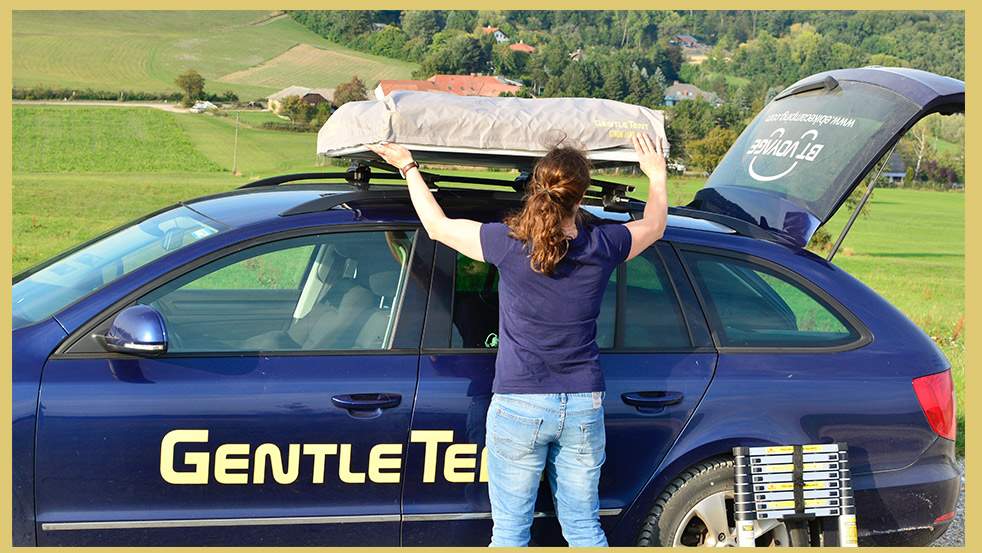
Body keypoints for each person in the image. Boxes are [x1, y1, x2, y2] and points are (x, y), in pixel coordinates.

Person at [366, 133, 668, 547]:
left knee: (510, 533)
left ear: (537, 188)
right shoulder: (603, 244)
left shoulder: (508, 244)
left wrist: (408, 166)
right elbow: (654, 226)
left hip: (520, 403)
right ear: (580, 197)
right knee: (583, 529)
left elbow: (436, 228)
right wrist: (656, 175)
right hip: (582, 403)